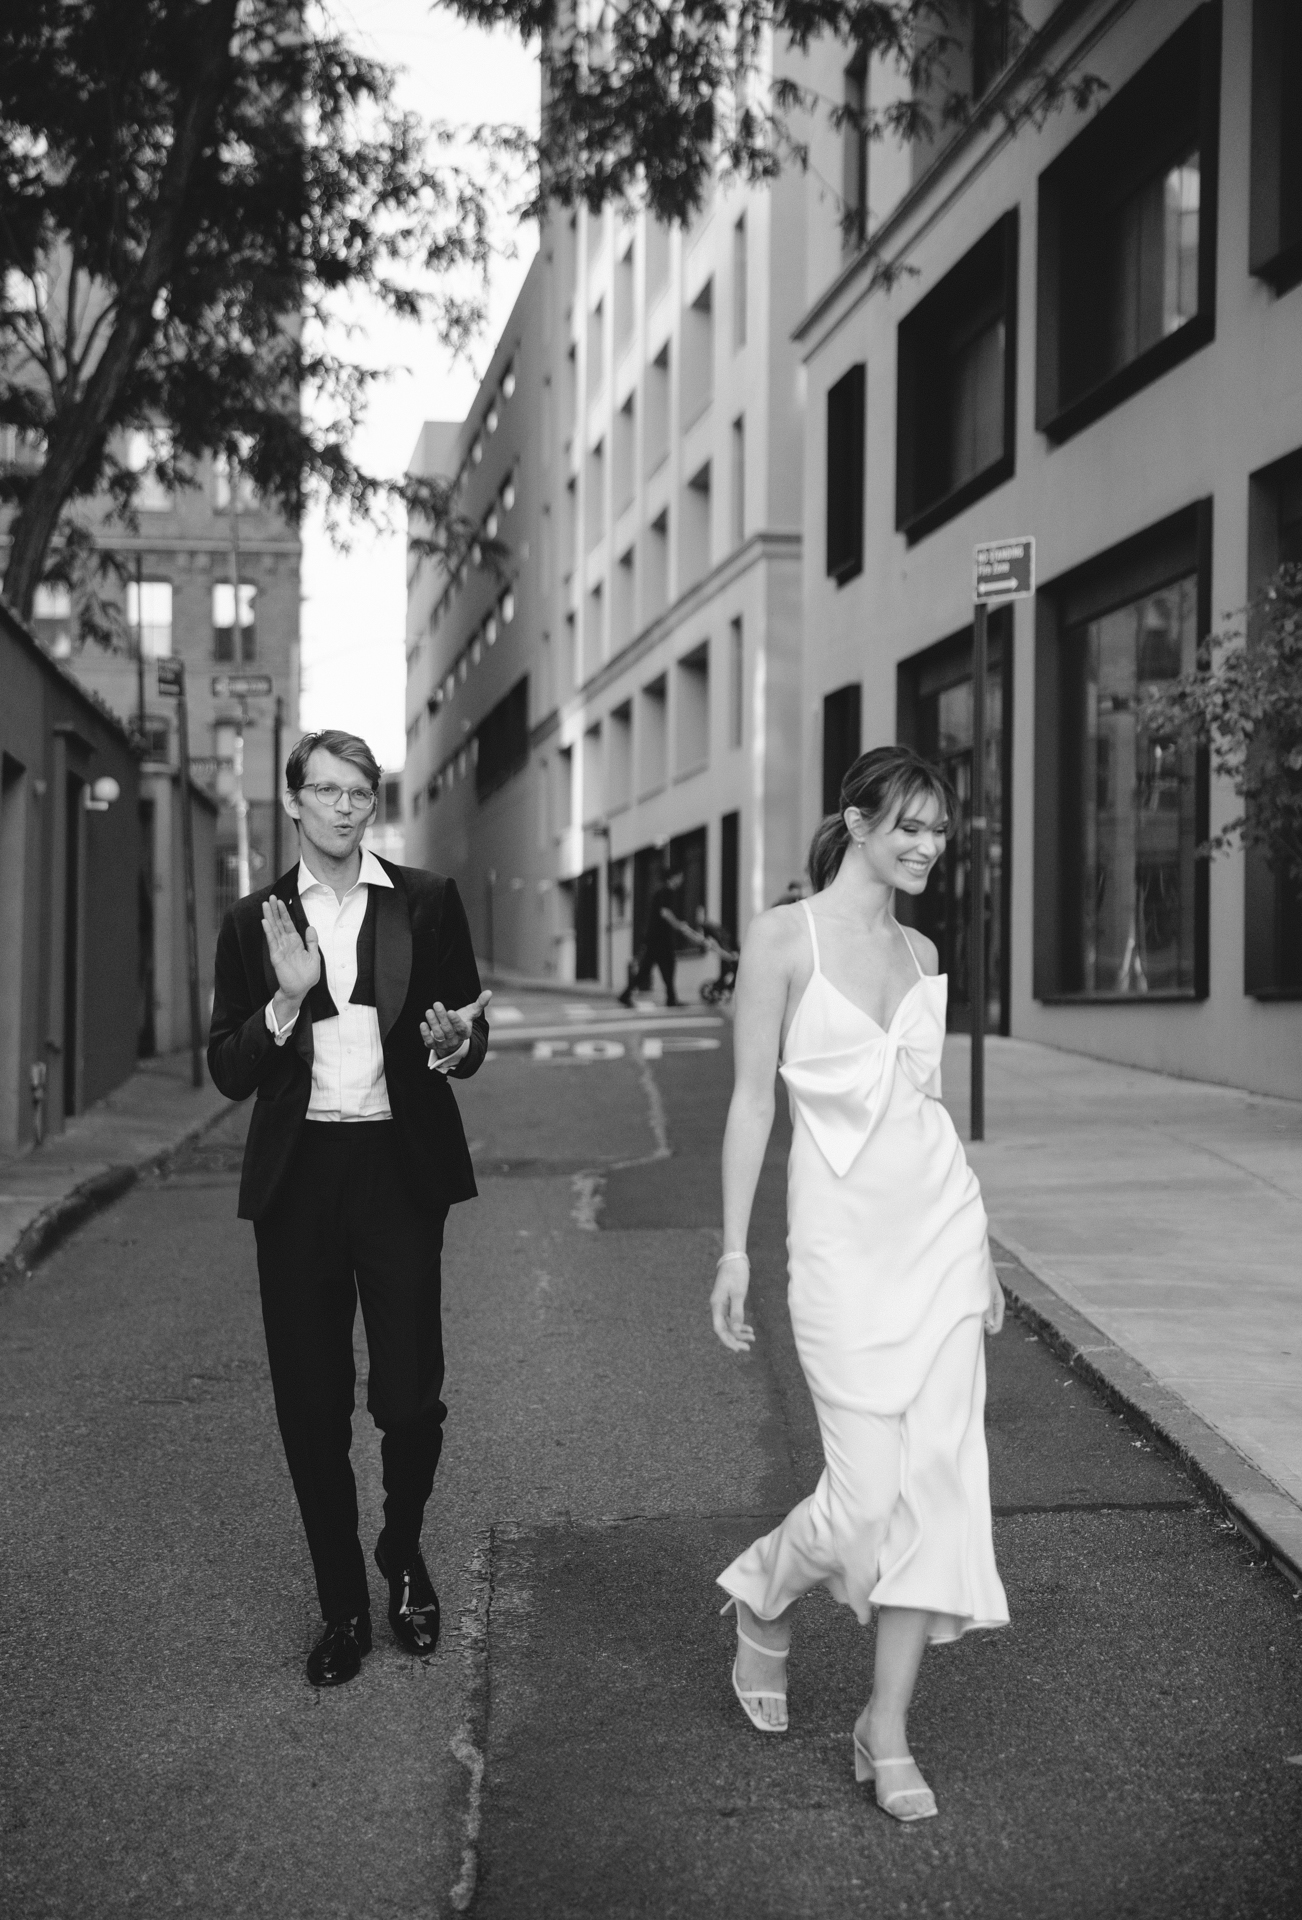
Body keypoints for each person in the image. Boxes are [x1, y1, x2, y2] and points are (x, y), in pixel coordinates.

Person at [710, 744, 1008, 1823]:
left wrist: (980, 1245)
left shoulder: (922, 950)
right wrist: (734, 1251)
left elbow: (927, 1112)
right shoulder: (782, 938)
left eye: (940, 831)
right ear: (859, 820)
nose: (929, 847)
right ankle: (766, 1589)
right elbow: (754, 1102)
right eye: (911, 827)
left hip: (939, 1237)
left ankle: (886, 1726)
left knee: (936, 1487)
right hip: (838, 1248)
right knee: (864, 1497)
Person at [207, 729, 491, 1687]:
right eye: (324, 790)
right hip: (299, 1180)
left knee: (409, 1398)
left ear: (373, 804)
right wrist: (284, 1003)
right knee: (311, 1406)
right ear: (294, 801)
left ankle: (401, 1551)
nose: (341, 806)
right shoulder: (253, 923)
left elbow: (467, 1030)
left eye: (357, 792)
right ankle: (342, 1607)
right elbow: (227, 1067)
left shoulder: (426, 900)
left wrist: (457, 1042)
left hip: (397, 1169)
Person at [618, 867, 689, 1007]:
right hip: (659, 938)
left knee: (652, 969)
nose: (682, 880)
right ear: (673, 877)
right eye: (680, 877)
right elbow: (665, 913)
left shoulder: (662, 892)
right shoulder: (666, 892)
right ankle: (670, 999)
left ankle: (627, 995)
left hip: (656, 937)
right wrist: (678, 925)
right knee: (665, 966)